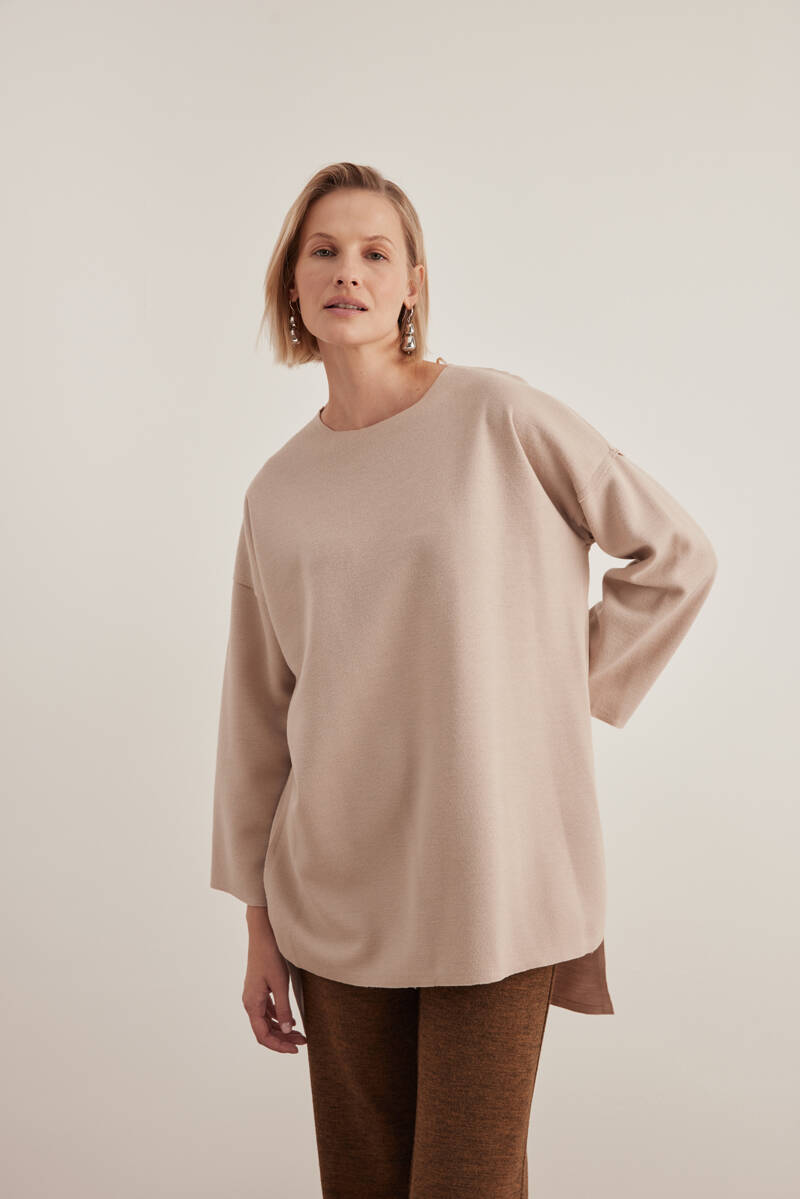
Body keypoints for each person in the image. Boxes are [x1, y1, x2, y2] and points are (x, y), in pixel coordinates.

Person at [210, 161, 717, 1197]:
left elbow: (675, 557)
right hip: (333, 898)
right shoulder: (276, 492)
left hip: (490, 876)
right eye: (322, 251)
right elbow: (257, 717)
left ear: (411, 285)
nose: (346, 271)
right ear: (291, 283)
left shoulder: (497, 416)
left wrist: (545, 698)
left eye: (374, 252)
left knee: (466, 1182)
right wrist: (259, 928)